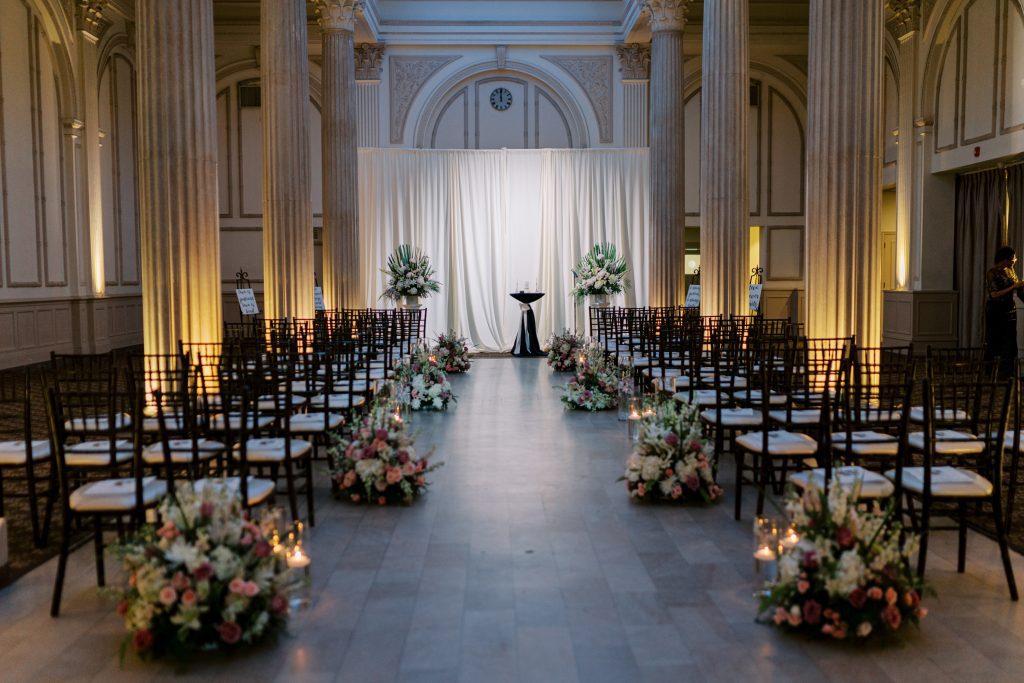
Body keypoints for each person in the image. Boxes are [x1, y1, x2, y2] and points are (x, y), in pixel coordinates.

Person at [985, 245, 1024, 377]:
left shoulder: (1010, 271)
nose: (1015, 261)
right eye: (1013, 259)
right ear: (1004, 259)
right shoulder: (992, 273)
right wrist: (1014, 286)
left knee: (1009, 342)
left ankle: (1006, 372)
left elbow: (1016, 286)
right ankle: (991, 372)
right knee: (995, 340)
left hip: (1009, 310)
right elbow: (994, 294)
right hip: (996, 311)